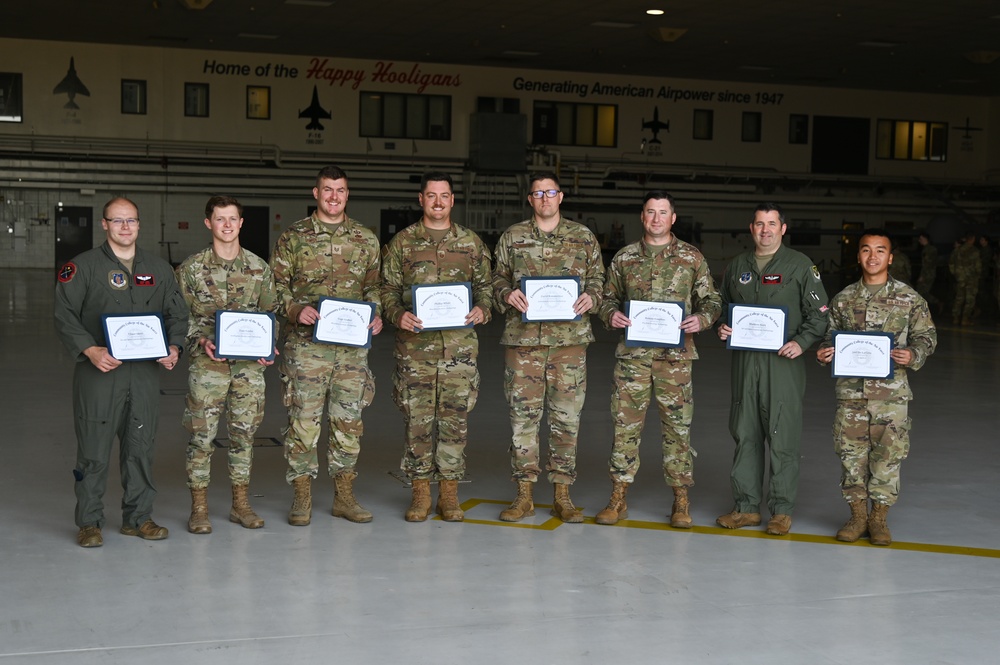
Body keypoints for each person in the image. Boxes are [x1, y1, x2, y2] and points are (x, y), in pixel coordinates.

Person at [54, 197, 188, 547]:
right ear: (104, 224)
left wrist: (174, 347)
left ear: (139, 225)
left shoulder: (159, 269)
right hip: (98, 373)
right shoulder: (82, 268)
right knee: (94, 451)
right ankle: (89, 522)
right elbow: (64, 314)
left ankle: (138, 518)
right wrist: (89, 349)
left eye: (131, 221)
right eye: (117, 221)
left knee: (140, 449)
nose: (125, 227)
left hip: (143, 376)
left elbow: (177, 314)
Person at [595, 191, 722, 527]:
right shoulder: (624, 258)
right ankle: (618, 497)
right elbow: (606, 299)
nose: (656, 219)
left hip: (675, 361)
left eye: (662, 213)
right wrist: (611, 316)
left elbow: (712, 300)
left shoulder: (691, 258)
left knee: (678, 431)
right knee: (624, 429)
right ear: (642, 216)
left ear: (673, 218)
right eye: (650, 212)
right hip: (632, 359)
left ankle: (681, 501)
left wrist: (702, 320)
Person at [270, 166, 383, 526]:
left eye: (341, 190)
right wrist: (294, 308)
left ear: (347, 195)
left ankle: (344, 496)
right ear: (315, 193)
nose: (334, 196)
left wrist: (377, 314)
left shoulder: (365, 238)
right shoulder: (294, 236)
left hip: (351, 351)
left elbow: (373, 288)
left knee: (348, 422)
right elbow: (274, 288)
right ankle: (301, 495)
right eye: (328, 190)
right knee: (303, 421)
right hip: (306, 348)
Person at [492, 171, 605, 523]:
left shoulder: (583, 237)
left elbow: (600, 279)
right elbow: (495, 278)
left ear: (561, 196)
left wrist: (593, 297)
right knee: (522, 420)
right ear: (530, 199)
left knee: (566, 419)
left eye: (550, 191)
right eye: (538, 193)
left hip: (568, 345)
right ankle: (523, 495)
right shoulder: (513, 237)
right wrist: (505, 293)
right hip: (523, 343)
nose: (544, 198)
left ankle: (562, 495)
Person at [380, 173, 493, 522]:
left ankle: (449, 495)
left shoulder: (471, 243)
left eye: (444, 196)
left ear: (452, 200)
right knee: (417, 424)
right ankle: (419, 495)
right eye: (432, 195)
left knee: (454, 424)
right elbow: (385, 291)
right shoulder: (402, 244)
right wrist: (398, 314)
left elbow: (487, 288)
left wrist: (483, 309)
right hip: (416, 353)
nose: (438, 202)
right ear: (421, 199)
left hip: (458, 353)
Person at [817, 230, 936, 546]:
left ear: (890, 257)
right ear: (858, 256)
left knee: (888, 455)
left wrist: (914, 354)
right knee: (850, 455)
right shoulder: (843, 299)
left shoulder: (909, 298)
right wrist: (823, 352)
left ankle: (879, 519)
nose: (873, 256)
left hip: (891, 395)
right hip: (851, 395)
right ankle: (857, 517)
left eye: (880, 250)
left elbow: (927, 337)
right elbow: (831, 337)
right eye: (866, 250)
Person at [716, 203, 828, 536]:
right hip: (746, 362)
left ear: (783, 228)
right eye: (759, 224)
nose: (765, 230)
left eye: (772, 224)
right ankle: (746, 507)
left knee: (783, 434)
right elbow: (723, 308)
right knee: (745, 432)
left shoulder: (800, 265)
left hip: (784, 363)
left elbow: (819, 312)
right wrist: (723, 327)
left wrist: (803, 342)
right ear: (751, 228)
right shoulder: (738, 265)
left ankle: (781, 511)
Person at [175, 195, 277, 534]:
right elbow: (179, 318)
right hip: (209, 367)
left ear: (241, 223)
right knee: (201, 438)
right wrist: (200, 340)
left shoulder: (260, 269)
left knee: (244, 437)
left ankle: (240, 504)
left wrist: (269, 347)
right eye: (220, 219)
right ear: (209, 223)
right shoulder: (191, 270)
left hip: (249, 369)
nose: (228, 225)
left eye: (233, 218)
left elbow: (271, 315)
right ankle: (199, 508)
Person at [948, 233, 981, 326]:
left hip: (960, 278)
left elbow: (951, 263)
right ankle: (965, 319)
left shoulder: (957, 250)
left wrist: (956, 274)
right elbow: (978, 266)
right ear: (973, 239)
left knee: (959, 298)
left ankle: (955, 318)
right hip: (971, 278)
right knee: (970, 299)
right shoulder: (974, 250)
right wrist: (978, 275)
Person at [915, 232, 938, 309]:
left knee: (922, 292)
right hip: (929, 273)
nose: (919, 240)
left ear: (925, 239)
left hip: (928, 274)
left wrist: (922, 276)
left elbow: (927, 265)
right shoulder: (928, 248)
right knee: (922, 292)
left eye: (921, 239)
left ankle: (936, 302)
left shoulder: (928, 249)